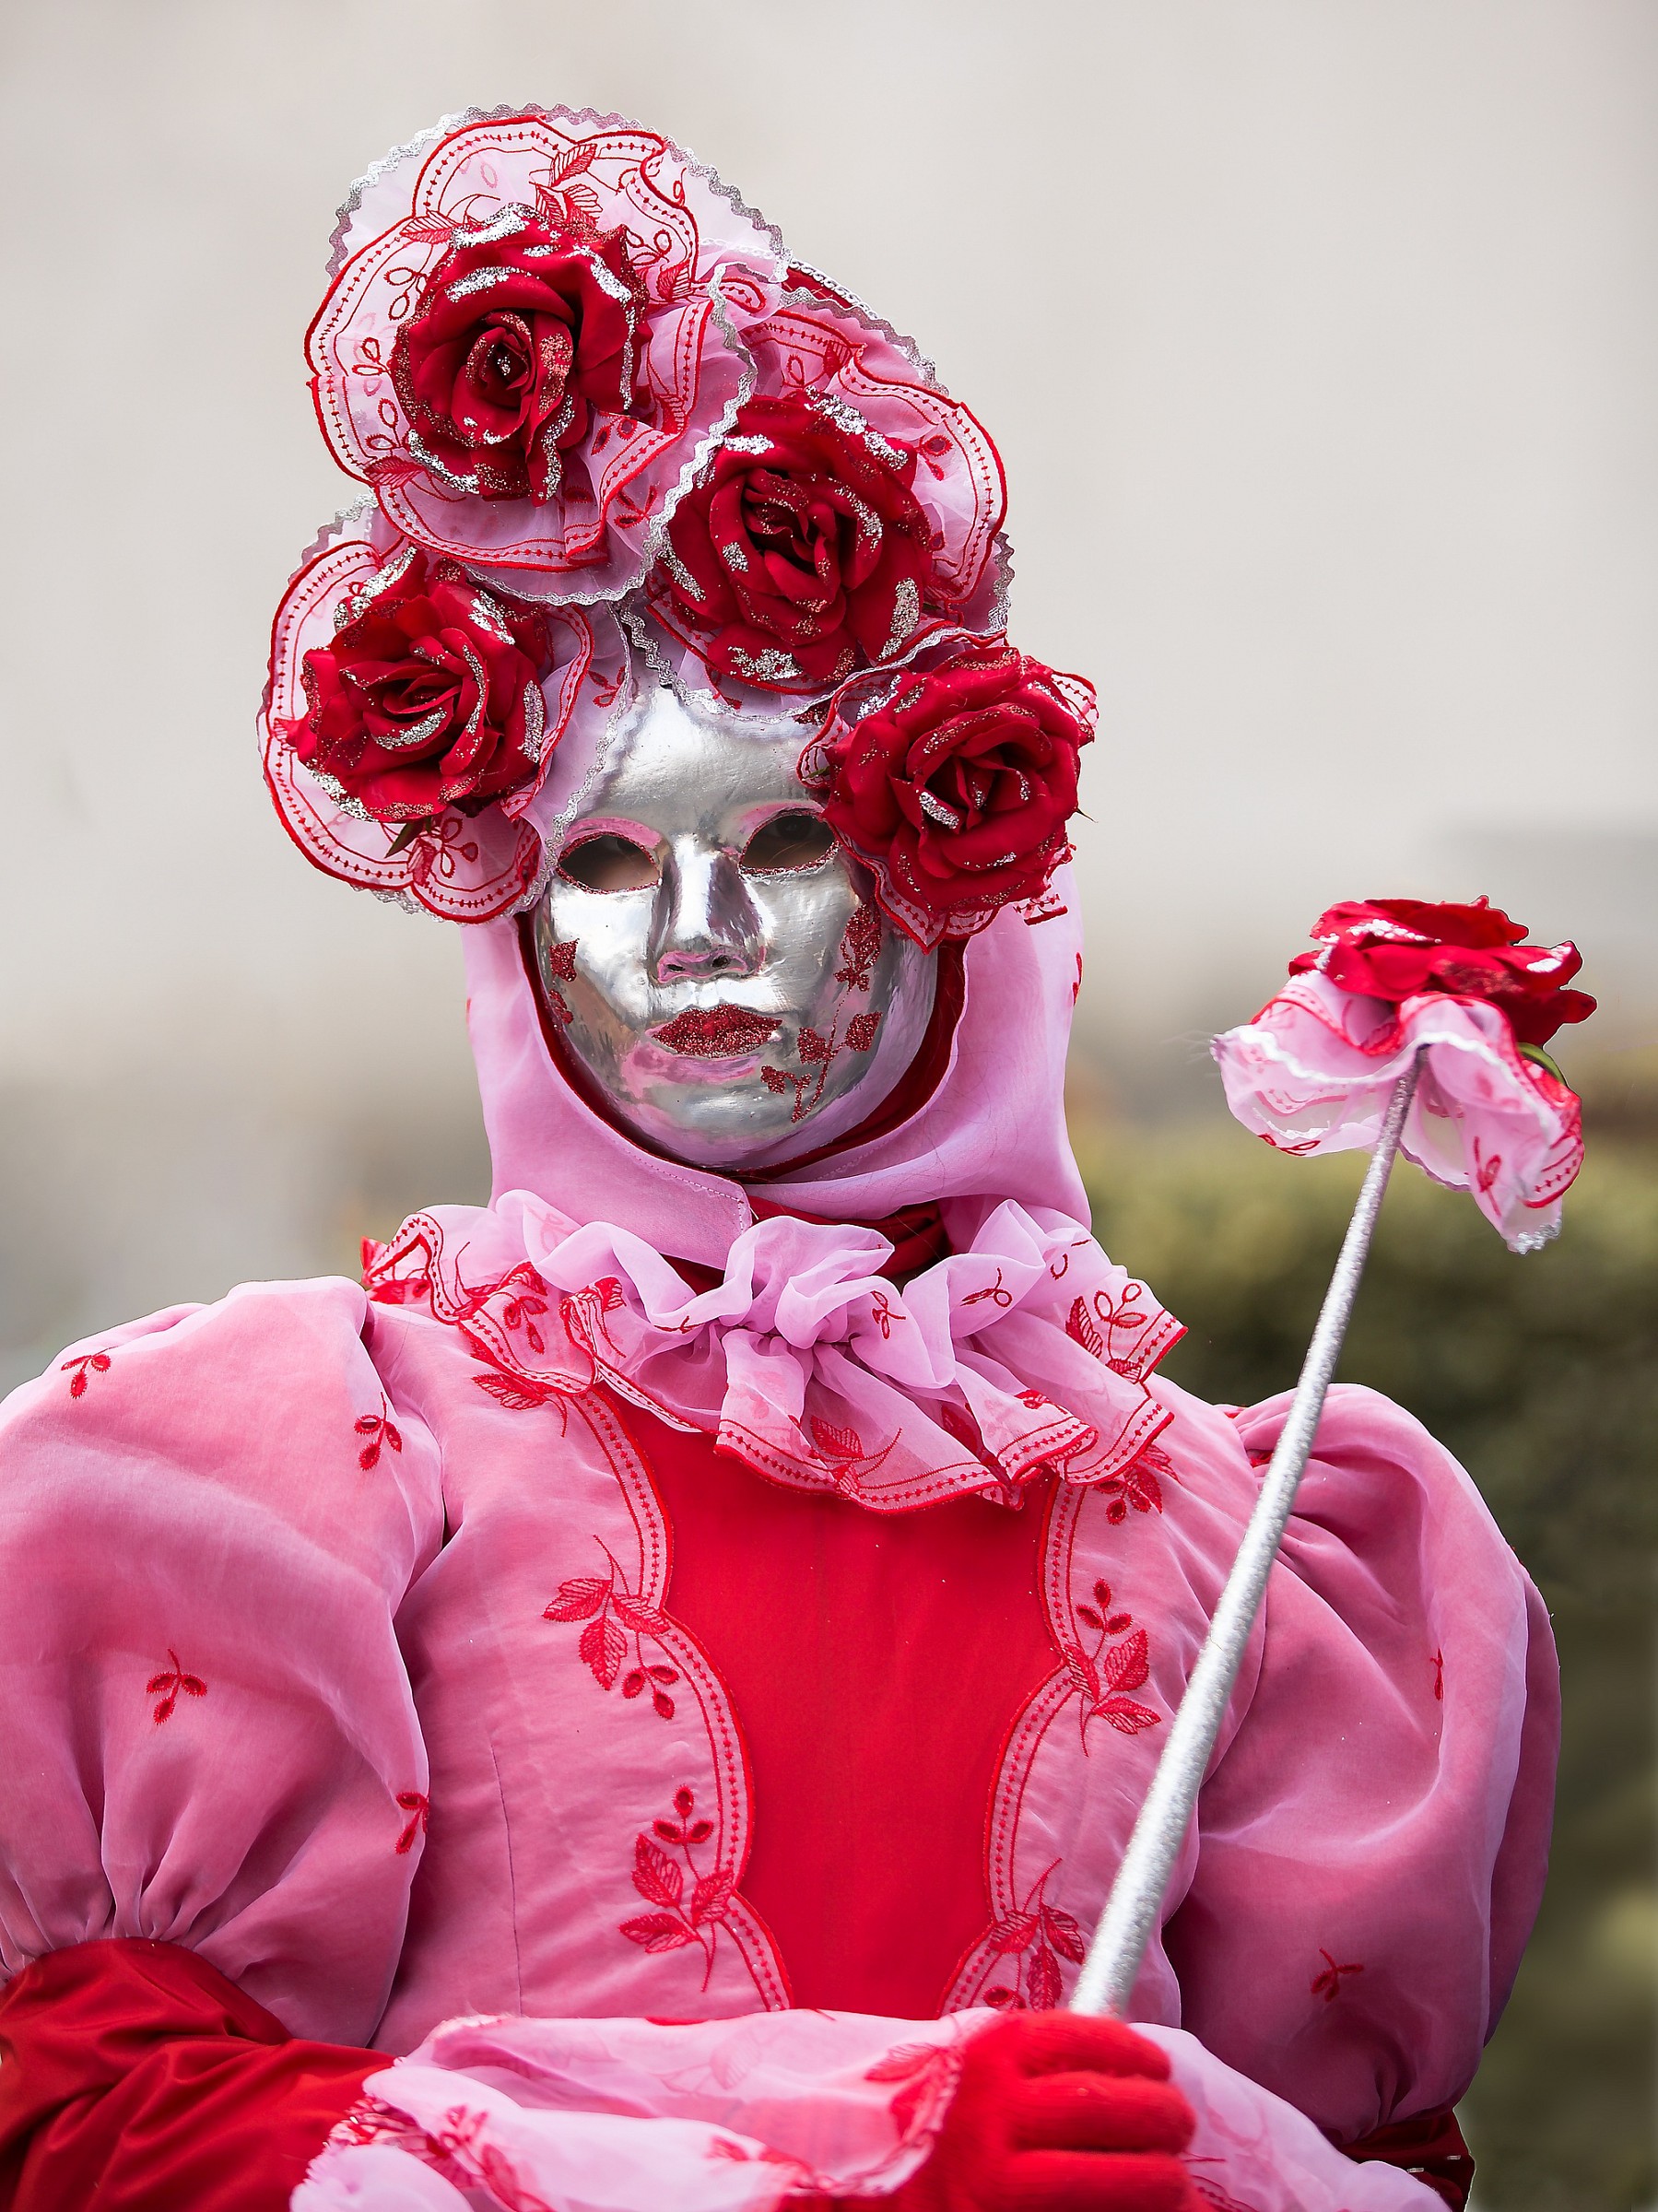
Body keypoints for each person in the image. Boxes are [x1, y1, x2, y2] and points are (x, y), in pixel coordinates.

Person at [0, 107, 1555, 2212]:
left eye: (791, 841)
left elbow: (1383, 2164)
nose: (700, 939)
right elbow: (101, 2132)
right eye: (606, 866)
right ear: (509, 928)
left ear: (951, 884)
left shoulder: (1247, 1543)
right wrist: (860, 2160)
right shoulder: (323, 1469)